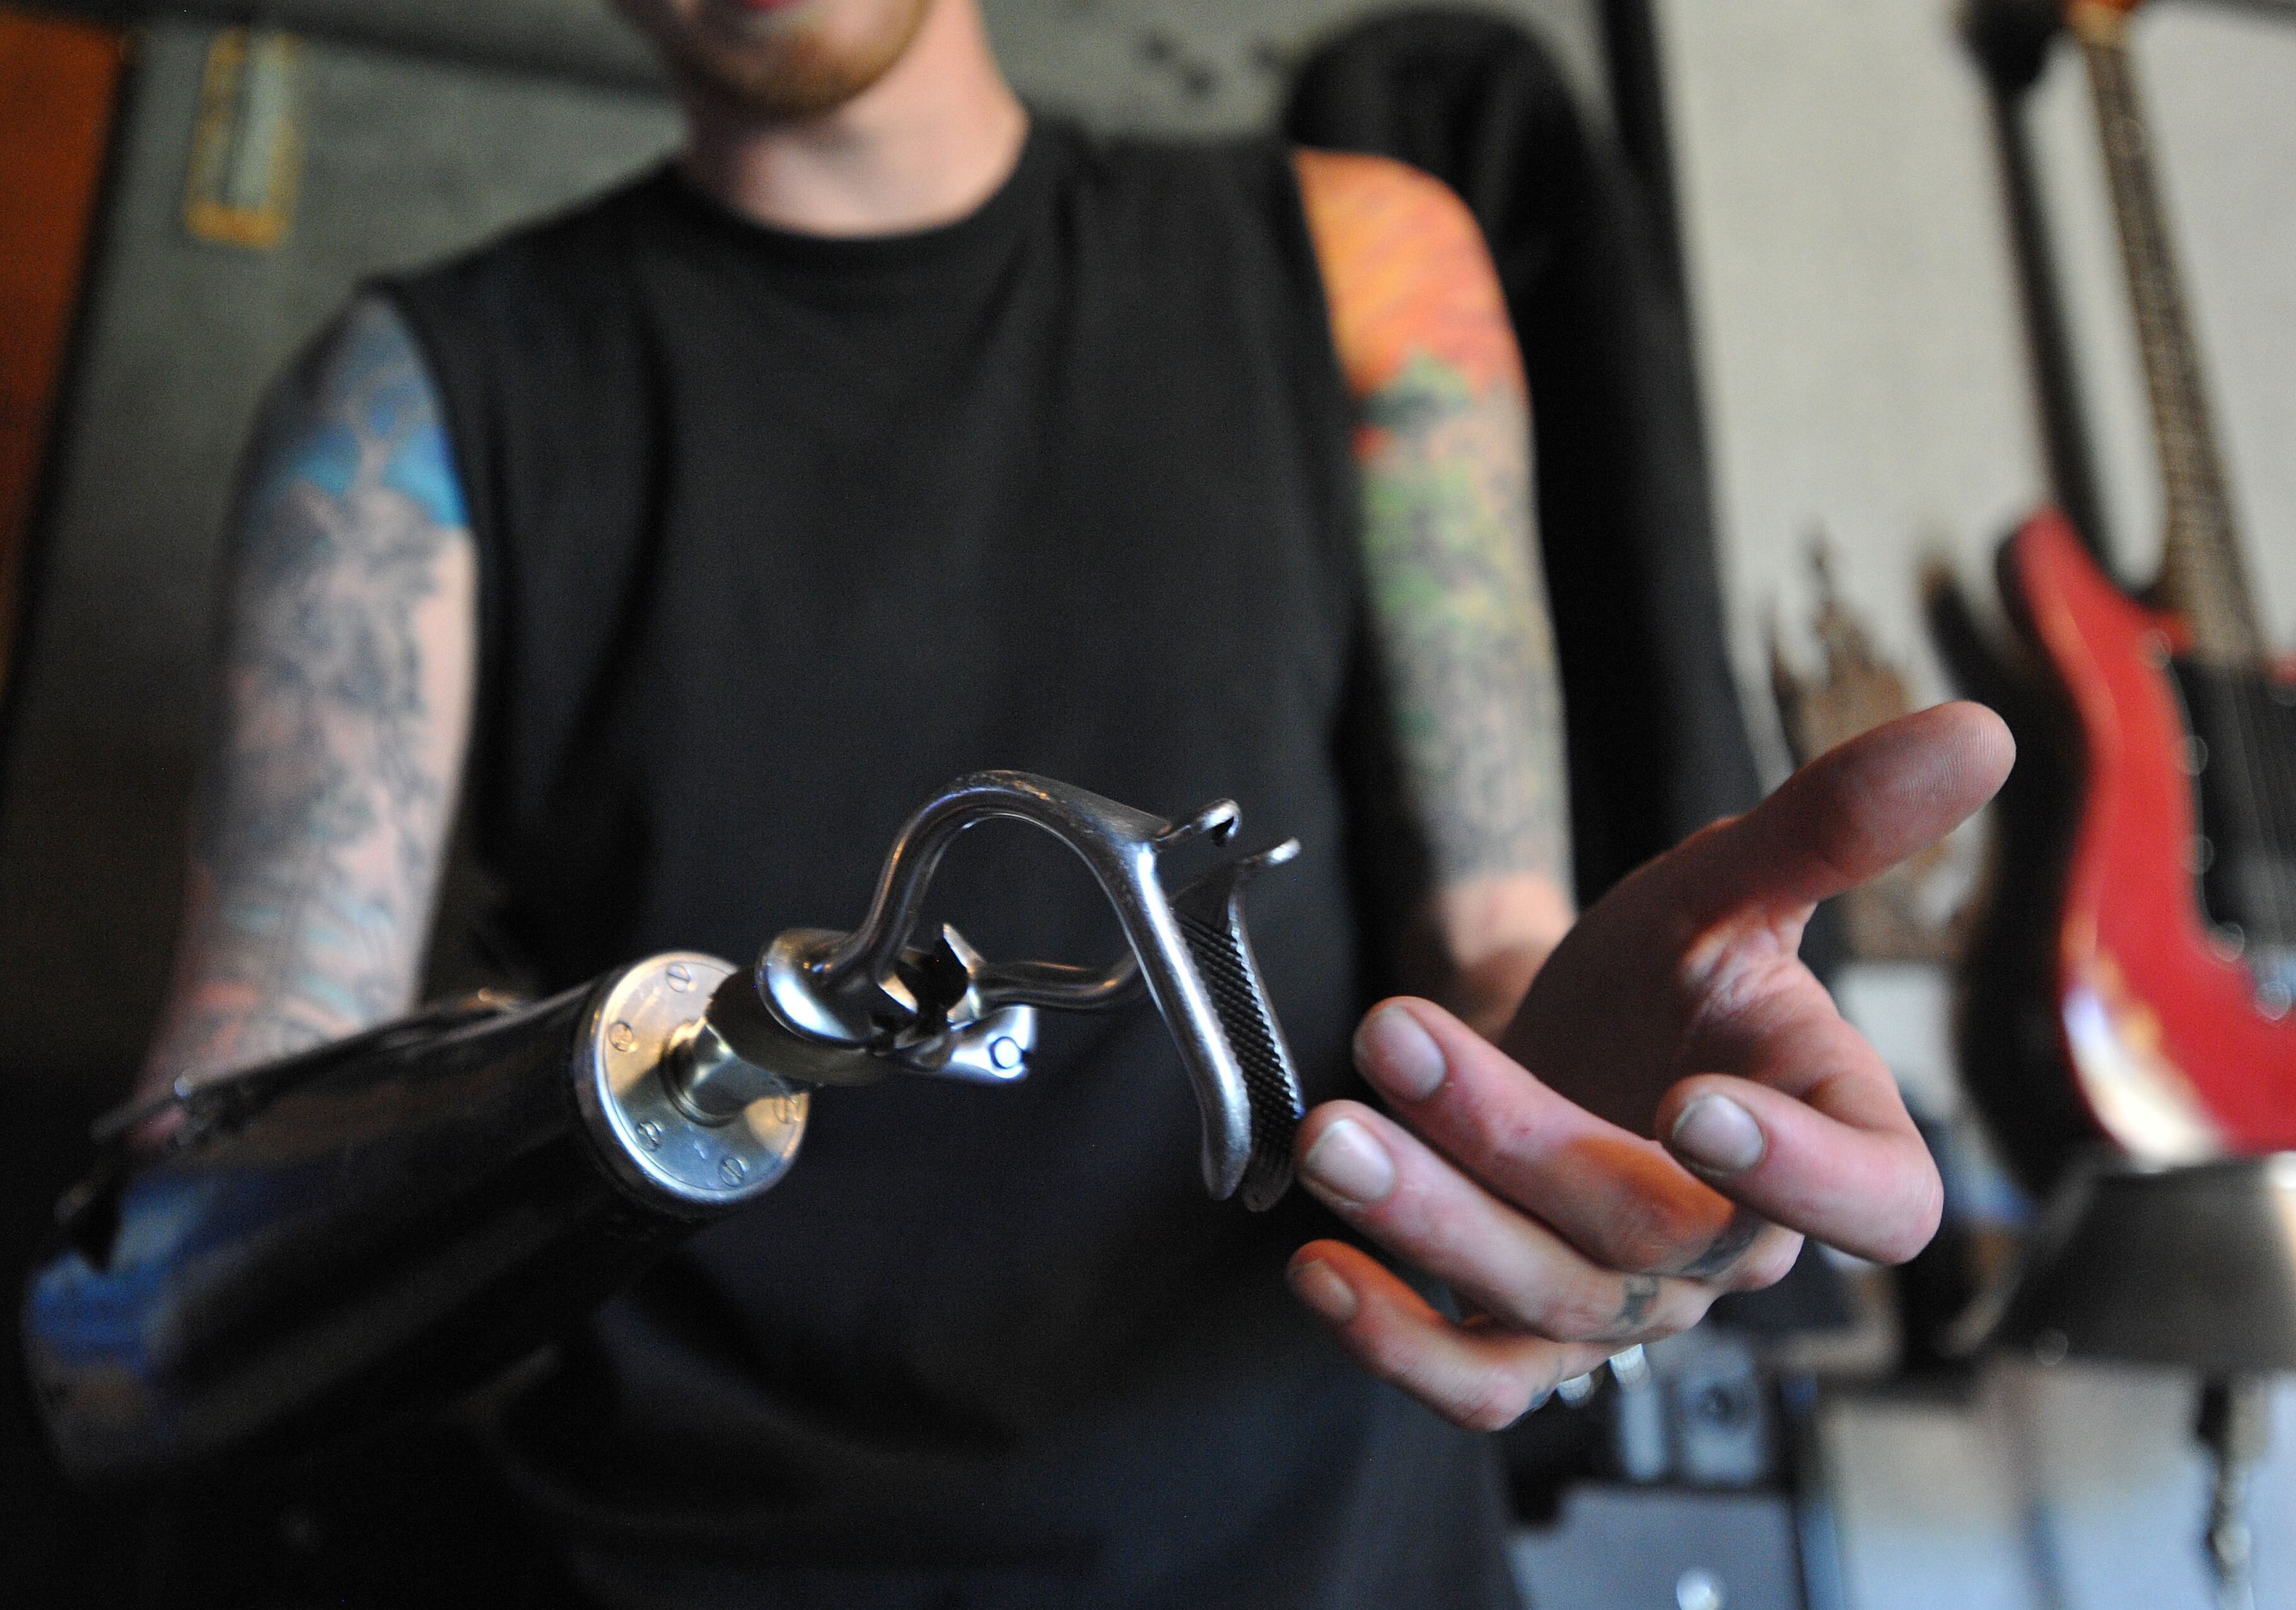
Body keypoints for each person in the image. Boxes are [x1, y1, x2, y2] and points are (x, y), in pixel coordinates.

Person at [128, 0, 2012, 1604]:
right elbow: (227, 1185)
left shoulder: (1365, 257)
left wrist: (1569, 1108)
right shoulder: (400, 413)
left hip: (1323, 1553)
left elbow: (1496, 940)